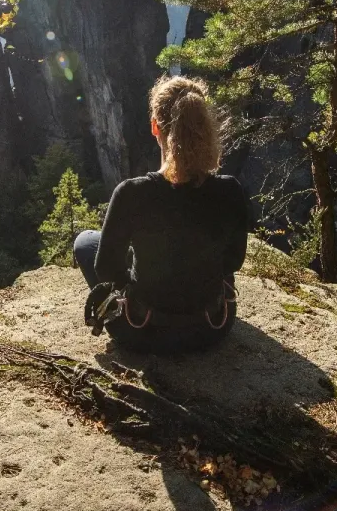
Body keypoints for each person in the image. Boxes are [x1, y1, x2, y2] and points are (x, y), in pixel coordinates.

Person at [73, 75, 249, 353]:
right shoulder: (230, 190)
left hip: (142, 331)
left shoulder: (132, 193)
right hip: (210, 328)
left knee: (85, 242)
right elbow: (233, 261)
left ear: (155, 127)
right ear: (205, 126)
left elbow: (105, 269)